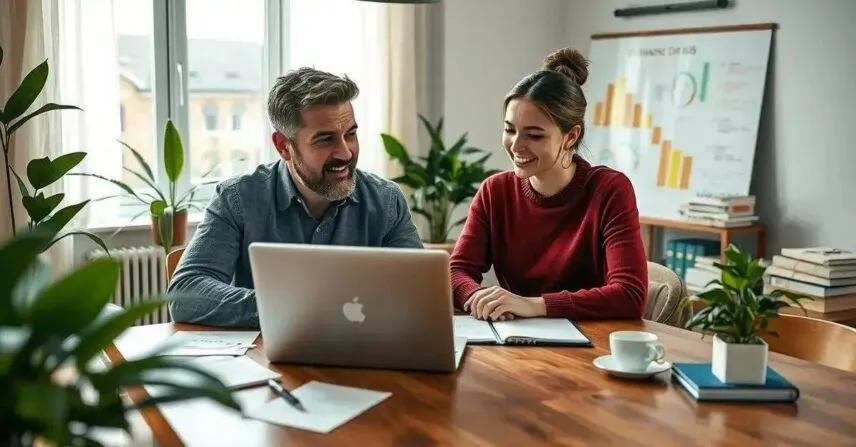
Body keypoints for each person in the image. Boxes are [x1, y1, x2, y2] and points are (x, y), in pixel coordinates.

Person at [168, 67, 423, 327]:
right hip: (267, 360)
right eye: (325, 140)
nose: (345, 153)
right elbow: (186, 293)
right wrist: (289, 309)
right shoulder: (237, 199)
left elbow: (420, 291)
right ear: (283, 146)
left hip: (369, 354)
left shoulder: (386, 200)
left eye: (351, 134)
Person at [449, 48, 648, 322]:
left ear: (571, 136)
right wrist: (479, 299)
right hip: (516, 340)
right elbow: (456, 271)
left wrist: (534, 305)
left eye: (534, 135)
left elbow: (629, 295)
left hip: (591, 345)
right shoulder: (495, 192)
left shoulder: (609, 190)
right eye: (509, 130)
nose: (516, 145)